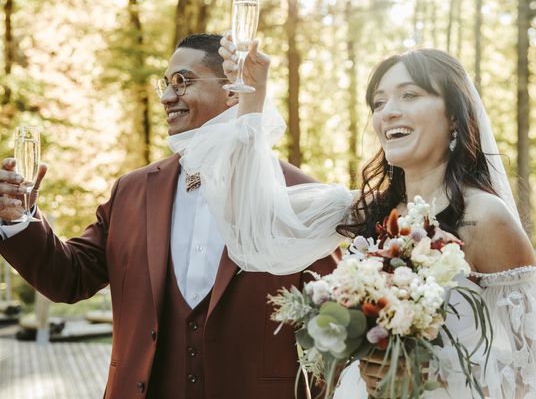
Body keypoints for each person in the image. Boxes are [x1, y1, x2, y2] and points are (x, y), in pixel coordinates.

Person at [179, 35, 536, 398]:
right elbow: (253, 227)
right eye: (379, 102)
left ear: (454, 116)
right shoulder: (368, 209)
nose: (388, 112)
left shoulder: (485, 219)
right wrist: (253, 96)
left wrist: (427, 379)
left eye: (409, 95)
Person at [0, 33, 336, 399]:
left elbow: (339, 323)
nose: (166, 97)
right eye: (166, 83)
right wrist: (19, 221)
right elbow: (69, 277)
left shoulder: (296, 193)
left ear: (233, 89)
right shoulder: (132, 191)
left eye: (183, 81)